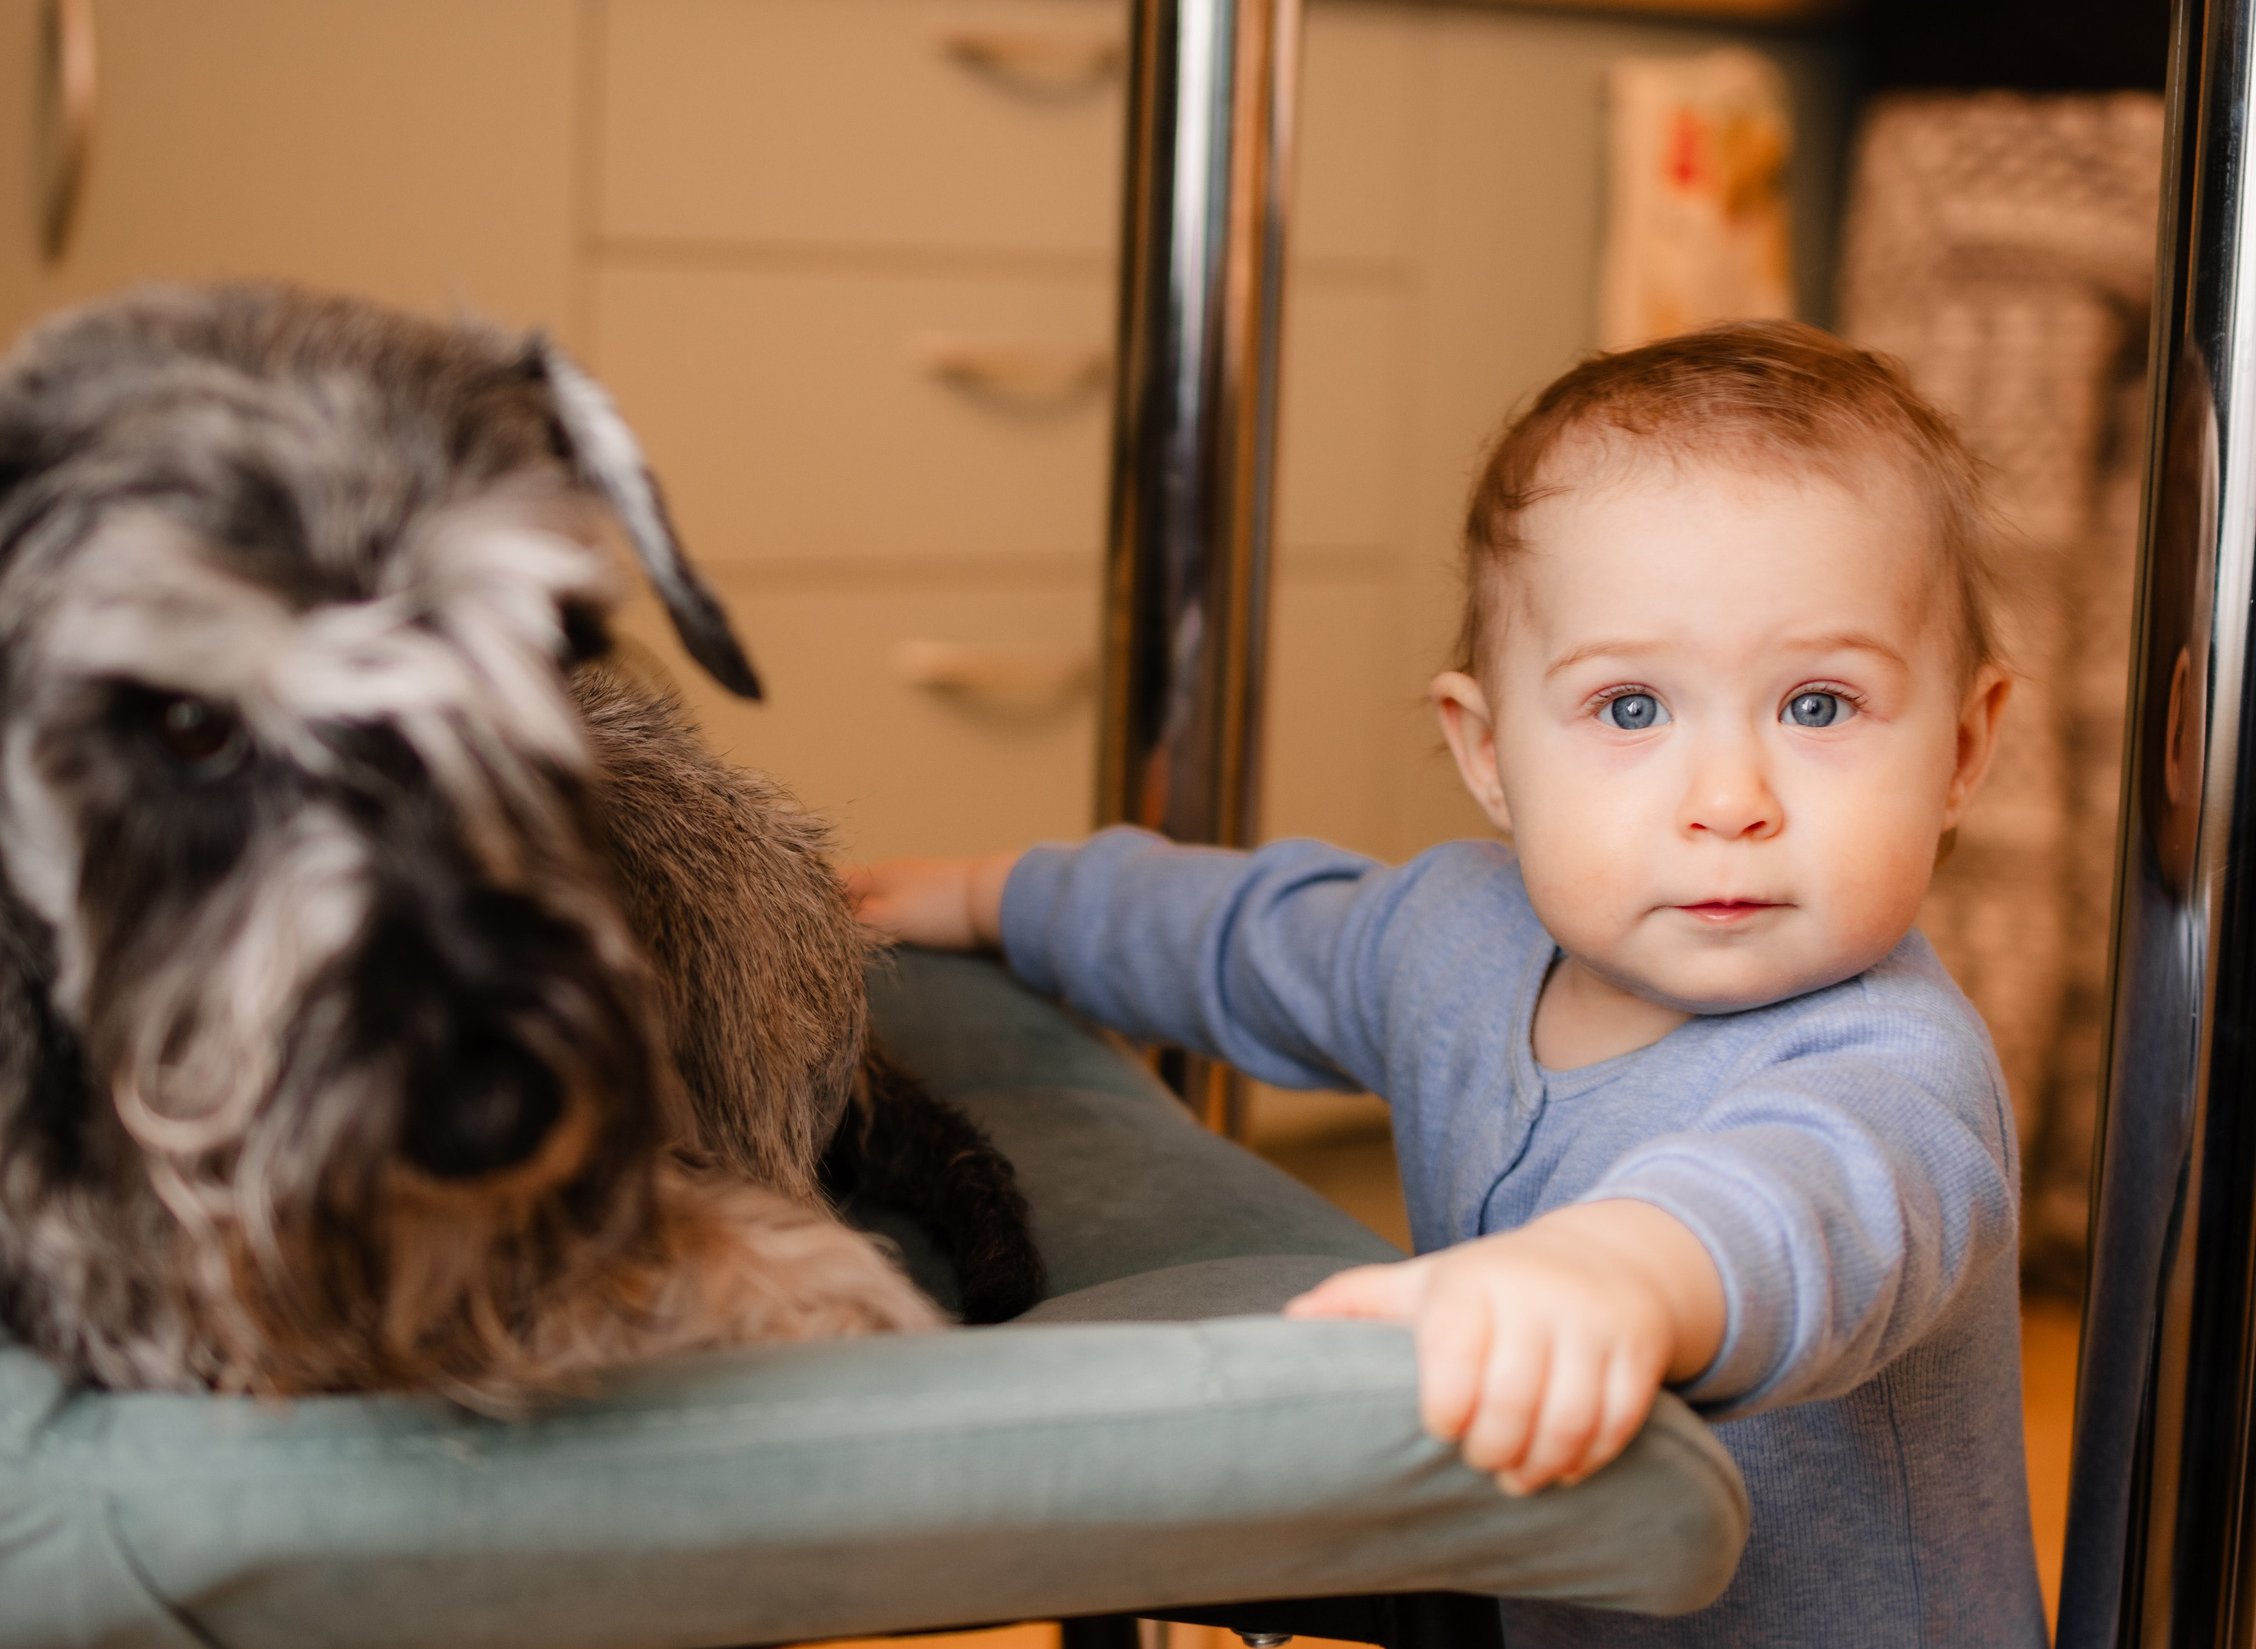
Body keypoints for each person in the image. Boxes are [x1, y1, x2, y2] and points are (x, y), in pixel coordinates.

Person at [849, 321, 2044, 1646]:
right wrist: (995, 896)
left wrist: (1614, 1273)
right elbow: (1235, 933)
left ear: (1964, 748)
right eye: (1632, 708)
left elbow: (1804, 1210)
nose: (1728, 801)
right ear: (1488, 753)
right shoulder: (1452, 936)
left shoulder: (1896, 1074)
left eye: (1818, 706)